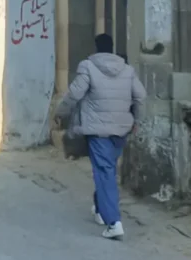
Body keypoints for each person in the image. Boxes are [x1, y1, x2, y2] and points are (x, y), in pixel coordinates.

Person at [57, 33, 144, 239]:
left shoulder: (88, 67)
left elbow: (74, 94)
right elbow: (140, 96)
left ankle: (113, 222)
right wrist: (137, 121)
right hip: (121, 130)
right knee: (108, 169)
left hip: (98, 131)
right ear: (112, 47)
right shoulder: (127, 70)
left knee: (104, 172)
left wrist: (60, 113)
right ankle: (99, 208)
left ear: (96, 48)